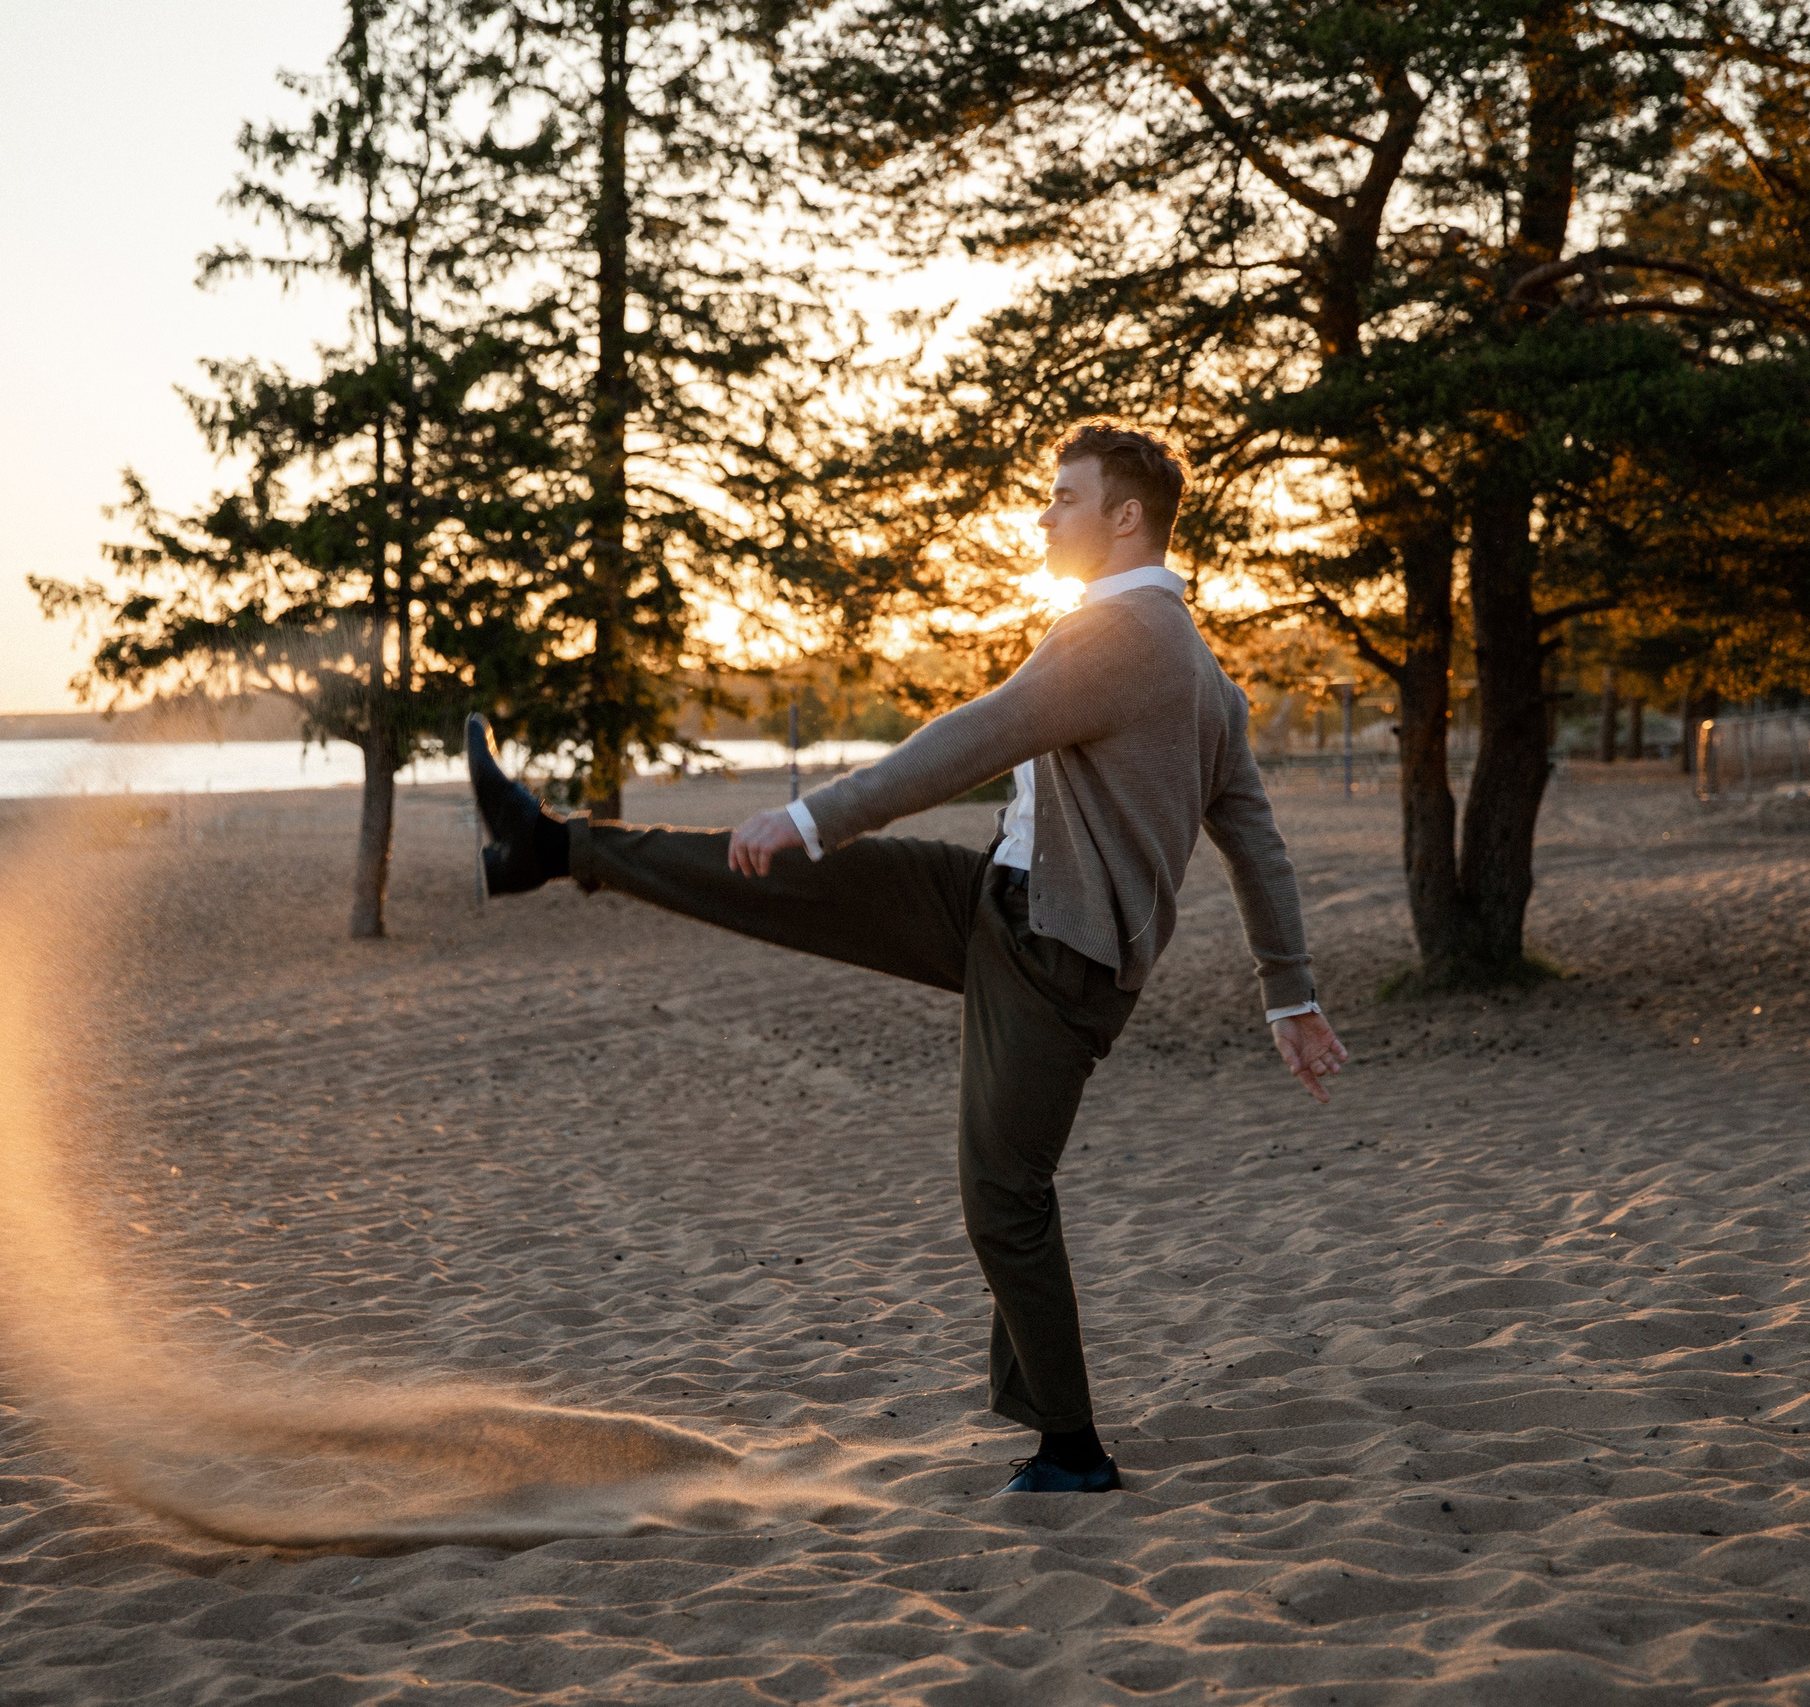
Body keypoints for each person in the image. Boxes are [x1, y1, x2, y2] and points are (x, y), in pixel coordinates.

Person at [464, 420, 1347, 1494]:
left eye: (1065, 497)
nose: (1044, 513)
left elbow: (971, 738)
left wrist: (815, 810)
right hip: (997, 904)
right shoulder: (1198, 668)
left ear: (1125, 518)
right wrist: (1287, 999)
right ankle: (548, 845)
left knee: (1002, 1195)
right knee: (787, 885)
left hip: (1051, 954)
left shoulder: (1126, 641)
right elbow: (1255, 842)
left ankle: (1071, 1449)